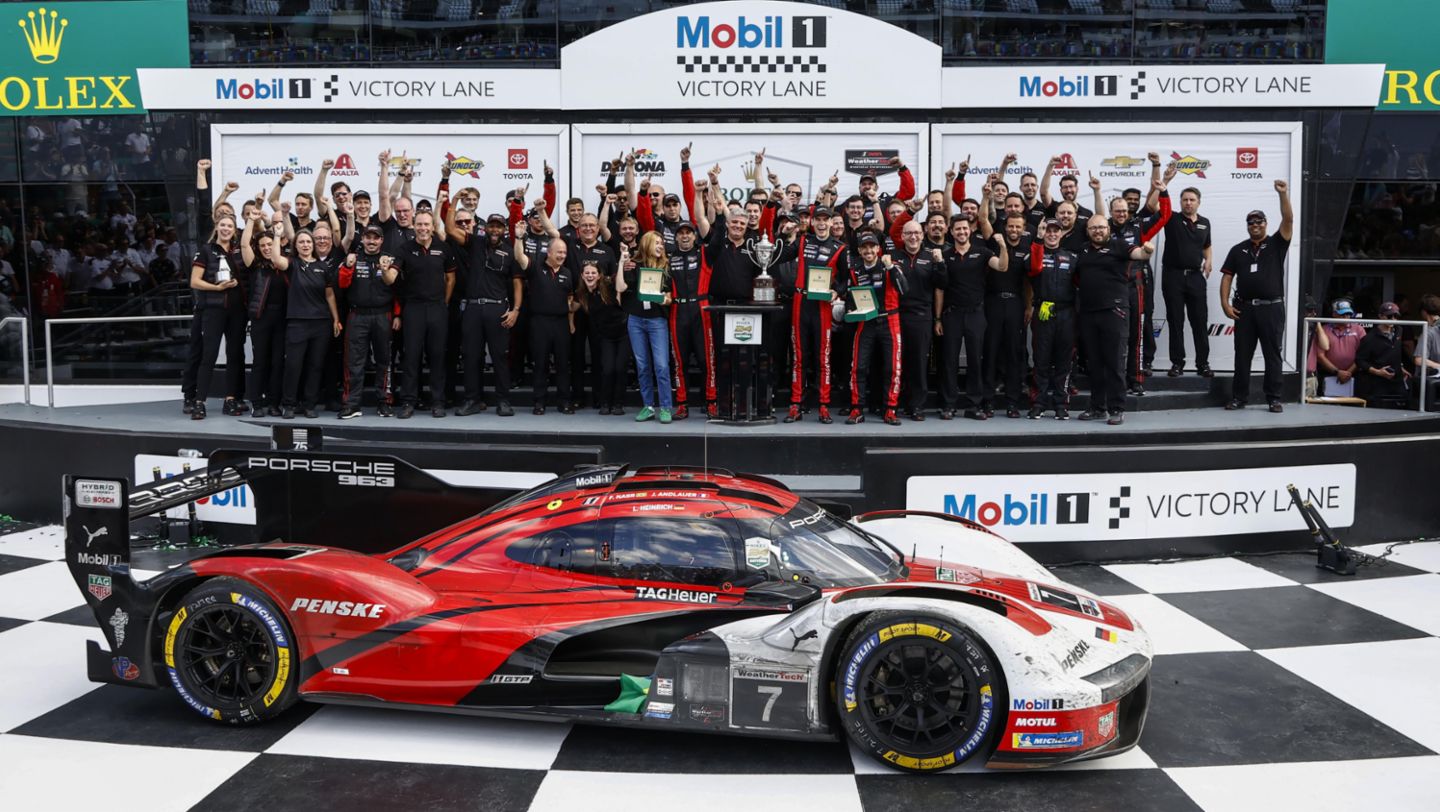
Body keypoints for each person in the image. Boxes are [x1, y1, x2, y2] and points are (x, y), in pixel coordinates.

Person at [1220, 181, 1295, 412]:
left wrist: (1282, 194)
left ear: (1265, 224)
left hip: (1271, 308)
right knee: (1242, 355)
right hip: (1244, 309)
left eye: (1259, 221)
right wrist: (1224, 303)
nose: (1254, 225)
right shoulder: (1238, 249)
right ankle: (1239, 398)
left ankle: (1273, 398)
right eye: (1251, 222)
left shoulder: (1276, 243)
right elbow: (1226, 277)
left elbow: (1289, 219)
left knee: (1272, 355)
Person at [1074, 215, 1155, 425]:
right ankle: (1097, 407)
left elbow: (1139, 254)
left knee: (1114, 361)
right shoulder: (1083, 250)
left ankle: (1117, 408)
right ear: (1088, 230)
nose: (1098, 231)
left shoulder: (1119, 246)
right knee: (1095, 363)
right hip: (1089, 313)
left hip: (1115, 311)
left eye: (1101, 227)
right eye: (1093, 228)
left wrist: (1147, 250)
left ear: (1108, 228)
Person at [446, 210, 523, 417]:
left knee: (500, 356)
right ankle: (472, 399)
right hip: (472, 308)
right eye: (492, 226)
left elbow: (517, 283)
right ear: (485, 228)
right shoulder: (476, 243)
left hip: (497, 309)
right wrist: (453, 201)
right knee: (471, 356)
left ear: (505, 230)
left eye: (499, 226)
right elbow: (450, 229)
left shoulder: (510, 252)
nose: (495, 229)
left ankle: (503, 401)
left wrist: (516, 310)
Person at [936, 216, 1007, 420]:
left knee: (976, 360)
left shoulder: (983, 252)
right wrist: (938, 319)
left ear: (970, 231)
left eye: (965, 229)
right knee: (949, 361)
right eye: (957, 229)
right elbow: (939, 289)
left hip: (976, 313)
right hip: (952, 314)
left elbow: (1002, 267)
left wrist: (1002, 247)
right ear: (951, 231)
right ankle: (949, 405)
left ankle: (974, 405)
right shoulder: (944, 255)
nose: (961, 232)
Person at [392, 211, 456, 418]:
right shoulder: (404, 249)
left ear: (432, 226)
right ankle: (409, 402)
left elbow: (450, 279)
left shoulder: (443, 248)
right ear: (413, 225)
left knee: (437, 356)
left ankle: (438, 401)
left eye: (426, 224)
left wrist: (444, 303)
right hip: (414, 309)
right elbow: (393, 276)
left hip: (437, 308)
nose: (423, 228)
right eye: (419, 224)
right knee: (411, 357)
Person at [783, 207, 844, 424]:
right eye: (817, 219)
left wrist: (837, 291)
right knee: (799, 357)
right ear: (811, 222)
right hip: (801, 302)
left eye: (825, 220)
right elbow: (778, 256)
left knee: (823, 358)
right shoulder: (802, 241)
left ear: (831, 223)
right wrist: (785, 234)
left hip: (822, 307)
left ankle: (824, 405)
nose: (820, 223)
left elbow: (846, 279)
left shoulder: (840, 247)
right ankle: (795, 404)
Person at [843, 232, 907, 425]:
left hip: (890, 320)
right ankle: (857, 409)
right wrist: (848, 311)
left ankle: (890, 410)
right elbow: (849, 299)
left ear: (879, 249)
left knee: (892, 367)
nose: (869, 250)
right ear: (860, 250)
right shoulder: (855, 271)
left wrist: (890, 267)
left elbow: (904, 289)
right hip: (866, 322)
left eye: (872, 246)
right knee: (858, 367)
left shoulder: (890, 267)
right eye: (865, 247)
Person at [187, 214, 247, 420]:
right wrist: (217, 288)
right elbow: (194, 282)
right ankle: (199, 402)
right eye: (223, 225)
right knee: (209, 355)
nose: (226, 229)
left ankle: (230, 400)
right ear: (217, 227)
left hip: (237, 311)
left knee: (235, 355)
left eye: (230, 225)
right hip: (213, 310)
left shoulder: (240, 250)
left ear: (235, 229)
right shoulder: (206, 250)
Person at [337, 224, 399, 419]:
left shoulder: (390, 259)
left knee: (385, 360)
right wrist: (348, 265)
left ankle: (385, 402)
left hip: (383, 315)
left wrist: (397, 314)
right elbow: (341, 284)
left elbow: (398, 289)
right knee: (353, 362)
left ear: (381, 240)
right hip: (357, 315)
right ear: (362, 239)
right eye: (368, 237)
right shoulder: (352, 258)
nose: (372, 241)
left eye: (376, 238)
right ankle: (352, 403)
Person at [280, 230, 342, 419]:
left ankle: (309, 404)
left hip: (321, 323)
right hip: (297, 323)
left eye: (308, 241)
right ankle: (289, 404)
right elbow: (276, 259)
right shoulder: (292, 264)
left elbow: (329, 294)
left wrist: (336, 319)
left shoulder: (323, 267)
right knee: (293, 365)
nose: (306, 245)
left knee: (315, 366)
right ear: (295, 245)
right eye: (301, 242)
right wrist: (276, 236)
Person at [617, 233, 674, 423]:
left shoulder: (666, 266)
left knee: (662, 366)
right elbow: (621, 287)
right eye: (657, 242)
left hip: (657, 320)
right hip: (636, 320)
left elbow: (669, 299)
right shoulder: (633, 264)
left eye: (662, 243)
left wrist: (658, 297)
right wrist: (622, 261)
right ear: (647, 244)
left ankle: (665, 407)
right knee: (642, 366)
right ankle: (648, 406)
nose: (660, 245)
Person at [515, 234, 575, 415]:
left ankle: (564, 401)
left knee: (563, 364)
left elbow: (570, 299)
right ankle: (539, 402)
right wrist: (518, 238)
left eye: (564, 252)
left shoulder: (567, 273)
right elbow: (519, 257)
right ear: (548, 252)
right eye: (559, 252)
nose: (562, 255)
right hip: (539, 322)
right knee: (540, 364)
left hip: (561, 323)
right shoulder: (535, 267)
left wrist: (571, 323)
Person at [1027, 219, 1079, 419]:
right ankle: (1038, 403)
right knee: (1041, 359)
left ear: (1061, 233)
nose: (1051, 234)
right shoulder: (1035, 252)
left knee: (1064, 360)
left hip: (1067, 313)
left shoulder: (1071, 257)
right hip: (1043, 310)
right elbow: (1033, 270)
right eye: (1048, 231)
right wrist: (1038, 241)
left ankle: (1061, 403)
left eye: (1055, 231)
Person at [892, 219, 942, 420]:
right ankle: (893, 403)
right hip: (896, 315)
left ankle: (917, 406)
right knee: (895, 362)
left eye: (917, 233)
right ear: (902, 236)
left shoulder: (931, 257)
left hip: (921, 316)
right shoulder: (893, 257)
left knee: (919, 363)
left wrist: (940, 264)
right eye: (909, 233)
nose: (913, 237)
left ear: (923, 235)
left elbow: (942, 283)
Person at [1161, 187, 1213, 378]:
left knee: (1199, 321)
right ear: (1180, 202)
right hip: (1173, 276)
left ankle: (1203, 364)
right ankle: (1177, 364)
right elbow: (1155, 206)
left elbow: (1207, 245)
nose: (1188, 203)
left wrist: (1209, 259)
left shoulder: (1205, 223)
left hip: (1195, 278)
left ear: (1198, 202)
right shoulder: (1171, 219)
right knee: (1176, 321)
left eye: (1192, 200)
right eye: (1185, 200)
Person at [240, 212, 288, 417]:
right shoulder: (255, 265)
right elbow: (244, 246)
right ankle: (257, 403)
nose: (267, 248)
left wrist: (278, 233)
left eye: (270, 244)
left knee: (278, 362)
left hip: (282, 319)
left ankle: (274, 402)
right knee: (260, 361)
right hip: (261, 318)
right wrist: (251, 220)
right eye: (263, 246)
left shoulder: (285, 264)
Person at [576, 263, 629, 414]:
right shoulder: (582, 294)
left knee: (620, 368)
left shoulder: (608, 284)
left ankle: (618, 404)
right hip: (605, 336)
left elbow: (621, 287)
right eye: (587, 273)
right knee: (607, 369)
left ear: (599, 275)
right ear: (582, 275)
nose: (590, 275)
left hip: (623, 333)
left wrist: (620, 262)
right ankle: (605, 403)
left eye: (593, 273)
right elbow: (572, 307)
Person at [1354, 302, 1410, 408]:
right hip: (1377, 384)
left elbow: (1395, 351)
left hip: (1397, 381)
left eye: (1396, 316)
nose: (1393, 319)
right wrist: (1377, 372)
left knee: (1402, 408)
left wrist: (1400, 367)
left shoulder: (1399, 330)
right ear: (1380, 316)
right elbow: (1359, 360)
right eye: (1389, 316)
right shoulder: (1369, 338)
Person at [1316, 298, 1366, 398]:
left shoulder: (1359, 329)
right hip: (1329, 374)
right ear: (1334, 314)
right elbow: (1320, 355)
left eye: (1348, 314)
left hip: (1354, 374)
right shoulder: (1324, 329)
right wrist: (1337, 372)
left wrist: (1348, 373)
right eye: (1342, 314)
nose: (1346, 317)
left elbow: (1363, 354)